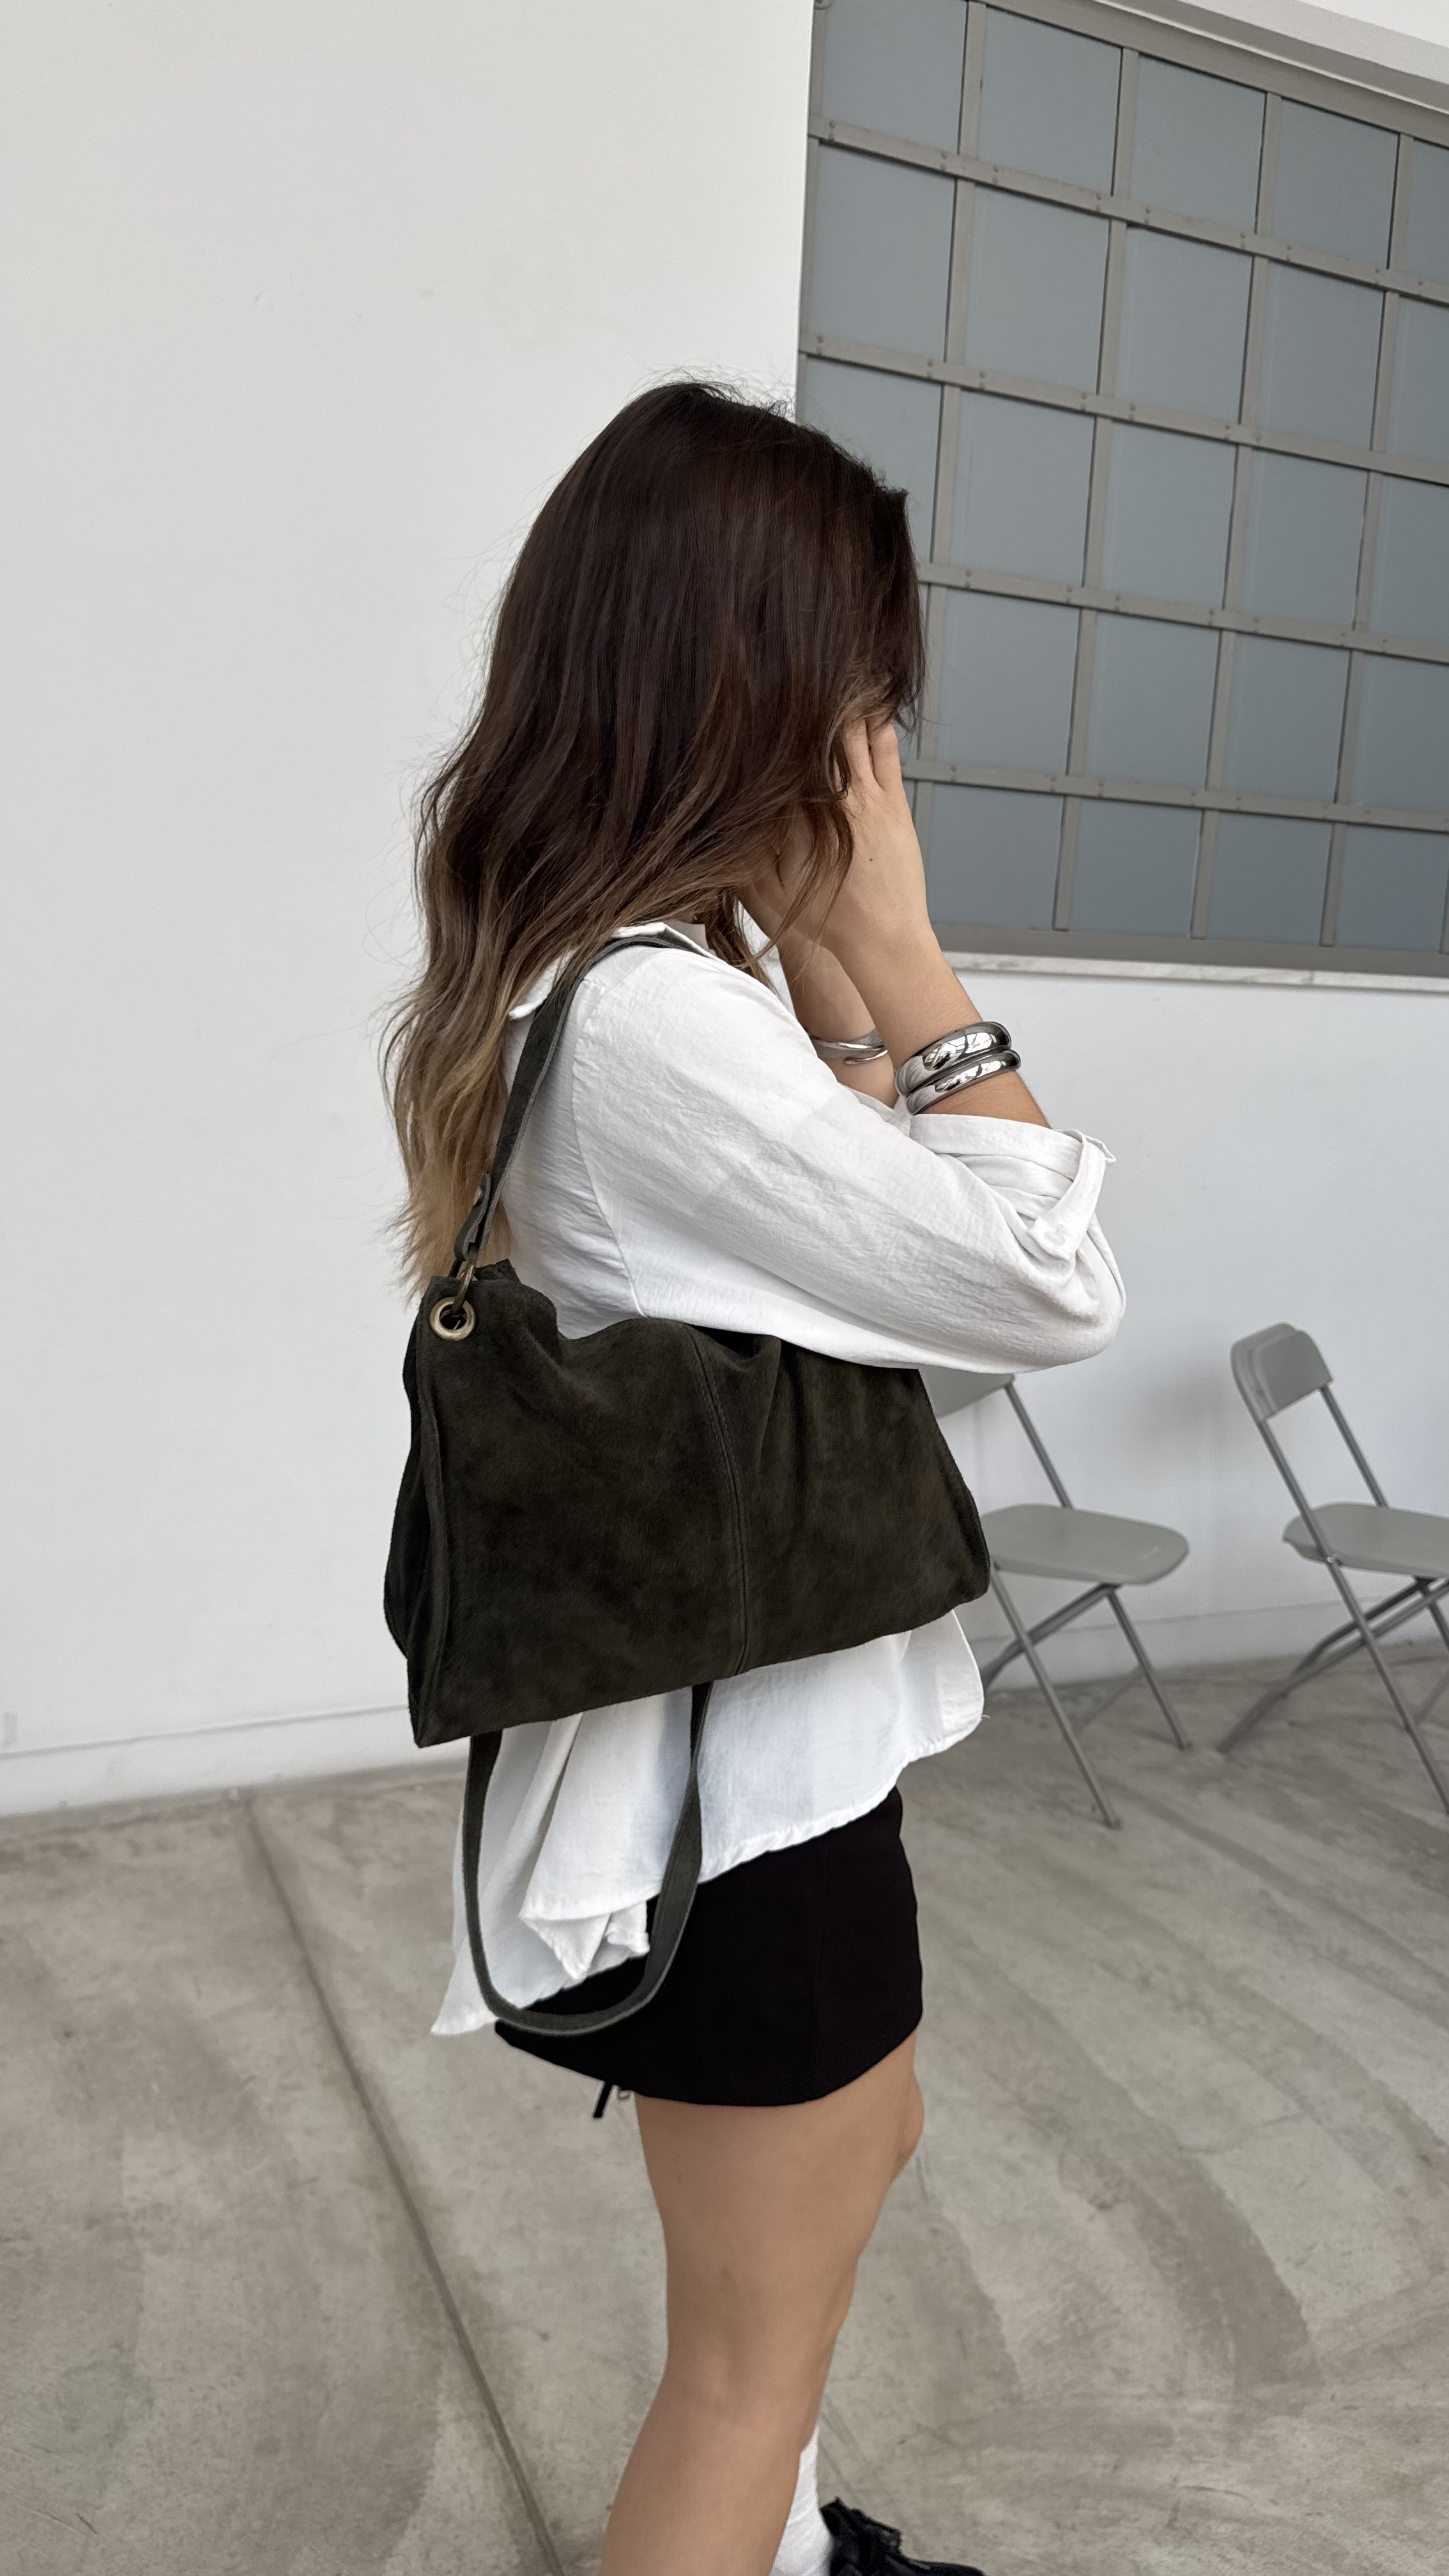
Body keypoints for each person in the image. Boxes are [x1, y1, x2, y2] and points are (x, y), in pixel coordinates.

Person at [385, 381, 1123, 2576]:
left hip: (758, 1752)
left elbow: (844, 1276)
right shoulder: (649, 1022)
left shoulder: (617, 979)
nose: (880, 747)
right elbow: (1043, 1285)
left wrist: (817, 975)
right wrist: (899, 955)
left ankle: (790, 2552)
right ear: (767, 686)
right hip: (740, 1795)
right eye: (864, 693)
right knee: (742, 2369)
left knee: (849, 2159)